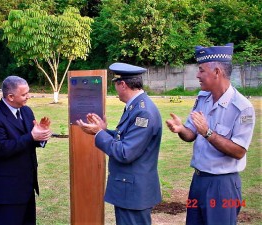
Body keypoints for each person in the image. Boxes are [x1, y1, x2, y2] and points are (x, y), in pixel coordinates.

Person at [166, 43, 255, 225]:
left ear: (216, 72)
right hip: (198, 181)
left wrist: (208, 133)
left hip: (222, 186)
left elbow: (239, 151)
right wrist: (181, 129)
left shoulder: (242, 107)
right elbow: (191, 134)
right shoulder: (202, 99)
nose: (197, 75)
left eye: (201, 70)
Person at [76, 62, 163, 225]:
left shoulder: (142, 112)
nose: (115, 90)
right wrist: (103, 130)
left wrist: (99, 133)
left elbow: (125, 152)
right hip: (129, 189)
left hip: (133, 192)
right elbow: (125, 138)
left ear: (122, 84)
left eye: (116, 84)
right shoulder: (136, 106)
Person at [0, 75, 52, 225]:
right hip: (8, 190)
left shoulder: (26, 111)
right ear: (10, 96)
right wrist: (31, 137)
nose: (29, 96)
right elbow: (0, 149)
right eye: (24, 94)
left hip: (27, 186)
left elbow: (31, 140)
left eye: (28, 92)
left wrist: (41, 137)